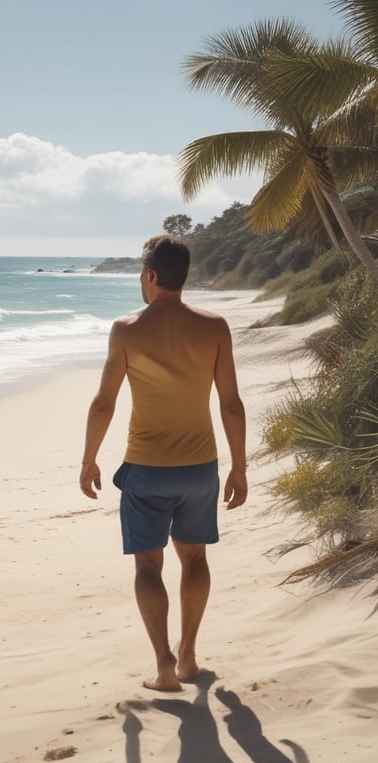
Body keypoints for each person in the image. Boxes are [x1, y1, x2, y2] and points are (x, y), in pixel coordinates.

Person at [79, 235, 247, 692]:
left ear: (150, 276)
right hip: (200, 469)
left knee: (148, 568)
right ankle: (190, 655)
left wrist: (89, 461)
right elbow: (230, 404)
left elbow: (103, 404)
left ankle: (164, 665)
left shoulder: (127, 329)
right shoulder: (215, 327)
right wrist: (240, 468)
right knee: (194, 558)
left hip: (147, 470)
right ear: (184, 275)